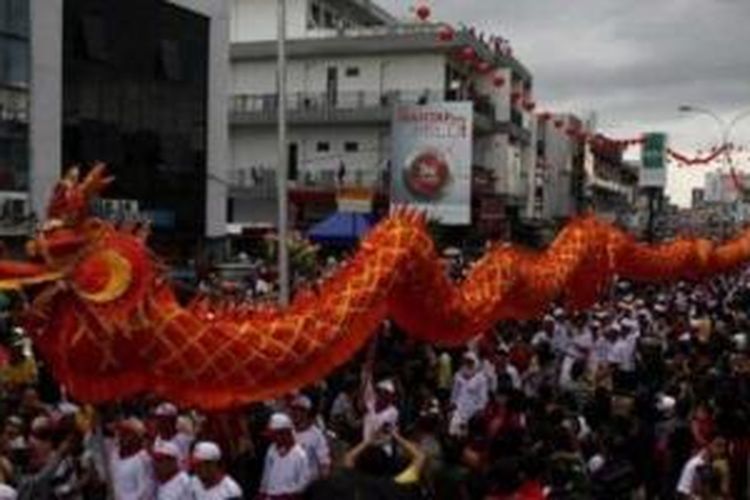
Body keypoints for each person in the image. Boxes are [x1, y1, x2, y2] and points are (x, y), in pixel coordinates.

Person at [258, 413, 311, 499]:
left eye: (274, 435)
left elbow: (304, 481)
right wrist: (261, 492)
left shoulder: (299, 454)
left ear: (285, 434)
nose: (272, 439)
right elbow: (266, 474)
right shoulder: (271, 449)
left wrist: (291, 494)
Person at [109, 417, 154, 500]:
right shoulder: (115, 455)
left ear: (136, 437)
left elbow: (146, 492)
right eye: (120, 433)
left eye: (126, 434)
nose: (121, 437)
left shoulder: (143, 459)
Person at [676, 433, 729, 499]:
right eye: (718, 446)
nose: (722, 450)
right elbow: (682, 493)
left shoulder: (719, 464)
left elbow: (723, 491)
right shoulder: (695, 463)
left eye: (724, 446)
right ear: (709, 445)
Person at [290, 395, 330, 480]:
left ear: (306, 413)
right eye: (293, 409)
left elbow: (324, 462)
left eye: (300, 410)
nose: (295, 413)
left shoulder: (316, 435)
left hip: (309, 484)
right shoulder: (287, 431)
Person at [449, 351, 488, 436]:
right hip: (458, 411)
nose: (468, 364)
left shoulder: (481, 378)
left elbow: (483, 397)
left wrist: (480, 410)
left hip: (473, 412)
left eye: (470, 362)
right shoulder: (458, 375)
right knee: (454, 433)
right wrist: (452, 405)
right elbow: (454, 393)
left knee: (468, 435)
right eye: (466, 361)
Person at [152, 402, 193, 470]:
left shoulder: (186, 440)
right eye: (159, 419)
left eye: (166, 420)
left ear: (174, 420)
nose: (161, 423)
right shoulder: (154, 441)